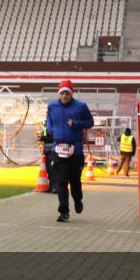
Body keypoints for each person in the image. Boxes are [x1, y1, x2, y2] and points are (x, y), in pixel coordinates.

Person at [45, 79, 95, 222]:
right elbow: (49, 119)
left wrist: (77, 124)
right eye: (62, 93)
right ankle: (64, 212)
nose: (64, 96)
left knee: (75, 182)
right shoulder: (52, 106)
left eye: (67, 93)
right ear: (59, 94)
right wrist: (49, 129)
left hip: (76, 150)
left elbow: (91, 122)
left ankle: (78, 200)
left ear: (71, 93)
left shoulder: (81, 106)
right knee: (61, 181)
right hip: (58, 148)